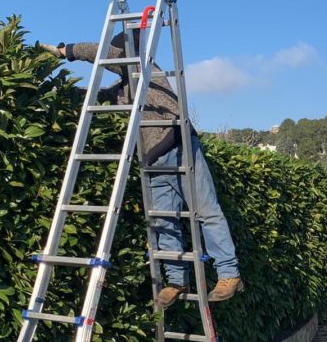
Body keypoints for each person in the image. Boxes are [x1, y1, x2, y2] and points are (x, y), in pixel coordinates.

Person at [41, 33, 243, 306]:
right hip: (152, 160)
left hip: (179, 143)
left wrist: (68, 51)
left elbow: (106, 55)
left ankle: (229, 274)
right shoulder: (124, 87)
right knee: (163, 220)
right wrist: (58, 90)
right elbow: (99, 97)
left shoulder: (145, 69)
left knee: (206, 211)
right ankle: (176, 280)